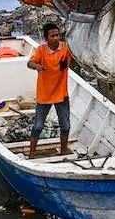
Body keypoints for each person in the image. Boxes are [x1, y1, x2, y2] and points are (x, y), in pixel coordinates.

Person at [26, 21, 71, 158]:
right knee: (38, 125)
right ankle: (32, 152)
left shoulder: (66, 48)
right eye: (52, 36)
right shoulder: (41, 50)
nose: (55, 38)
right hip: (44, 94)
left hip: (61, 93)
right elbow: (30, 63)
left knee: (65, 125)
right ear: (46, 38)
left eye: (57, 35)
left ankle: (64, 149)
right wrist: (37, 67)